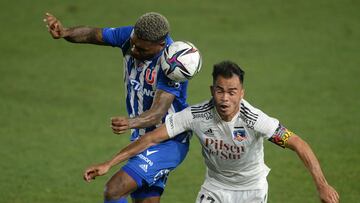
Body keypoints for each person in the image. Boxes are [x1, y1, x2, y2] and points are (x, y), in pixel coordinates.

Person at [83, 61, 340, 203]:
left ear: (242, 93)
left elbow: (298, 143)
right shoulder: (196, 115)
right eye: (220, 90)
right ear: (211, 90)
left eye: (232, 92)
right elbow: (150, 138)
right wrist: (109, 163)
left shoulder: (255, 119)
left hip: (251, 190)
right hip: (215, 187)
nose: (225, 98)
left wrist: (322, 184)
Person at [44, 12, 192, 203]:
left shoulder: (172, 65)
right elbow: (92, 34)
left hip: (168, 140)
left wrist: (130, 122)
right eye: (133, 43)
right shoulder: (132, 37)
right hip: (142, 139)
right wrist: (65, 32)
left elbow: (157, 114)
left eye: (141, 49)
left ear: (160, 46)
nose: (133, 50)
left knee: (114, 190)